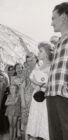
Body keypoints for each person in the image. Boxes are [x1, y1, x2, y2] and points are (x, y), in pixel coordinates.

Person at [46, 2, 68, 140]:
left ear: (64, 17)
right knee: (55, 134)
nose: (51, 23)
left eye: (53, 18)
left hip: (64, 95)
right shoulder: (59, 41)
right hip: (52, 93)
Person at [26, 42, 52, 140]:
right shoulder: (39, 66)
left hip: (46, 98)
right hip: (36, 97)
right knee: (35, 126)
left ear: (47, 53)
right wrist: (34, 83)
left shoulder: (52, 66)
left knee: (44, 125)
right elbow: (33, 82)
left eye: (41, 51)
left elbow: (53, 84)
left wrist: (38, 83)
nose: (38, 53)